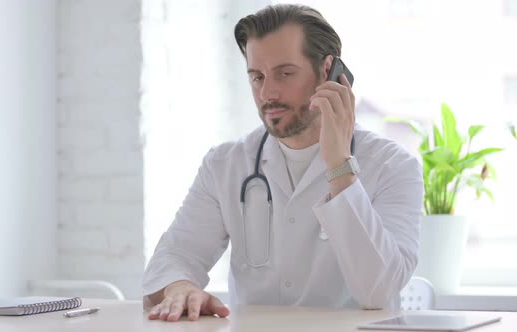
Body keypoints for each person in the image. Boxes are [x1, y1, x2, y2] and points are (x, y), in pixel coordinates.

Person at [142, 4, 424, 322]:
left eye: (285, 73)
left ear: (329, 72)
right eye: (257, 77)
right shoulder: (225, 165)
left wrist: (339, 164)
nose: (267, 93)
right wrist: (179, 287)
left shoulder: (393, 167)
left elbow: (380, 293)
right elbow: (175, 256)